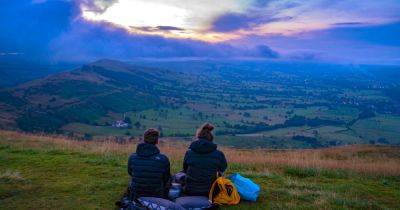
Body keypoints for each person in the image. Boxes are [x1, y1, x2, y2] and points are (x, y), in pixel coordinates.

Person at [183, 123, 227, 196]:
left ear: (198, 138)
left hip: (190, 190)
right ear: (211, 138)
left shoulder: (189, 153)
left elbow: (185, 169)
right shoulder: (219, 154)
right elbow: (223, 168)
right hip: (211, 191)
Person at [128, 128, 171, 198]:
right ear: (157, 141)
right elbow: (166, 178)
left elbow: (130, 172)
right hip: (156, 195)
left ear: (144, 139)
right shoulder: (163, 159)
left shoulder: (132, 157)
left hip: (136, 194)